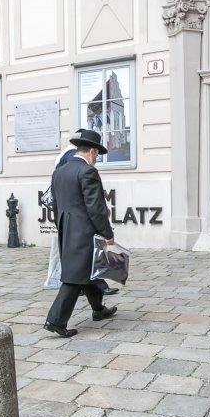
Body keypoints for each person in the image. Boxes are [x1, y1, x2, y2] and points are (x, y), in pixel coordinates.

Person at [43, 129, 117, 337]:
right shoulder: (87, 171)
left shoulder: (59, 172)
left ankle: (98, 309)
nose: (96, 159)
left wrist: (63, 226)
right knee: (75, 277)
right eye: (97, 155)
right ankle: (55, 321)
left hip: (67, 229)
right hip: (84, 232)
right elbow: (96, 208)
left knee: (91, 271)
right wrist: (107, 233)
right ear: (92, 151)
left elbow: (55, 205)